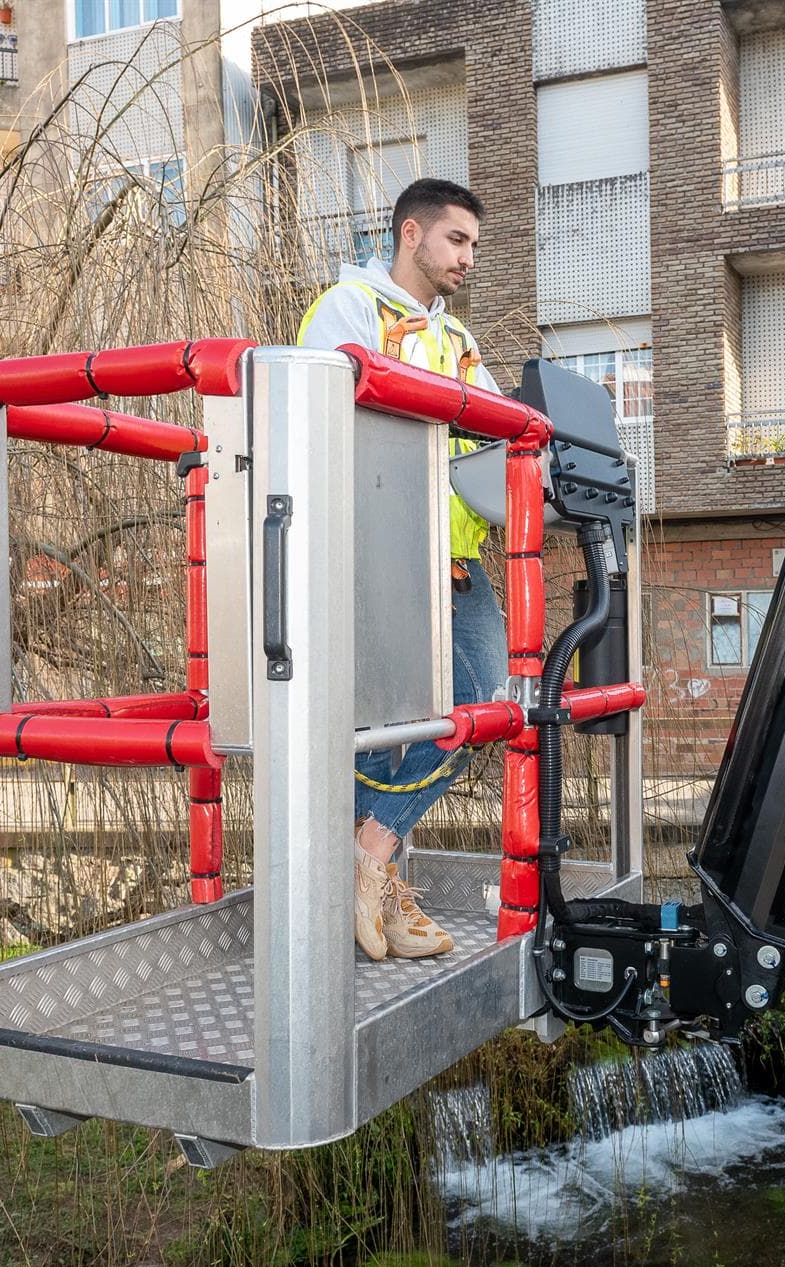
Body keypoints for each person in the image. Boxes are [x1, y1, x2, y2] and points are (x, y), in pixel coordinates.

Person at [297, 178, 506, 963]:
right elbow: (317, 420)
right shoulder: (348, 311)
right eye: (457, 240)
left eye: (475, 246)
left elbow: (496, 430)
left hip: (453, 554)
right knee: (388, 716)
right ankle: (366, 876)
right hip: (379, 544)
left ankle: (367, 857)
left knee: (485, 700)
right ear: (410, 233)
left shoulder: (455, 341)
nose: (468, 258)